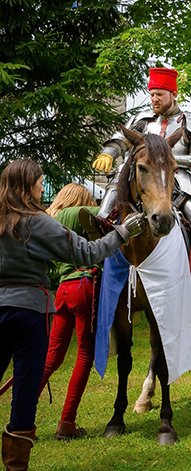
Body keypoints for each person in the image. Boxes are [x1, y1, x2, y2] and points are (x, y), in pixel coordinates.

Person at [0, 160, 143, 470]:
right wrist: (122, 232)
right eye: (39, 182)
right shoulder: (36, 221)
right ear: (27, 186)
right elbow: (86, 254)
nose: (42, 188)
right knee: (24, 393)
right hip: (28, 313)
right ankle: (15, 467)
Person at [90, 67, 191, 306]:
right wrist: (108, 153)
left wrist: (165, 160)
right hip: (142, 180)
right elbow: (120, 140)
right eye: (152, 94)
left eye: (160, 94)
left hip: (178, 180)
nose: (154, 99)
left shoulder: (189, 121)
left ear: (173, 94)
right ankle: (97, 263)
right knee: (108, 202)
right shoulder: (142, 120)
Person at [39, 184, 100, 441]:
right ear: (80, 200)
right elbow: (111, 211)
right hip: (84, 286)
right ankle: (67, 423)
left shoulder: (50, 217)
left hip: (62, 290)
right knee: (85, 356)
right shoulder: (79, 213)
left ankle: (22, 417)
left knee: (52, 358)